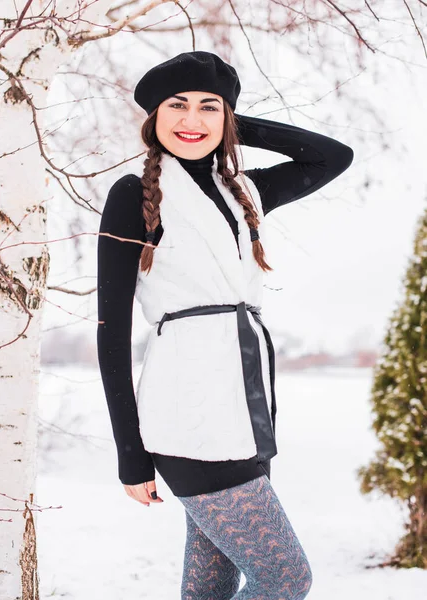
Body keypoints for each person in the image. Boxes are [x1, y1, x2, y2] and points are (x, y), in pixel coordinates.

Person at [97, 51, 354, 599]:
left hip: (245, 414)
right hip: (185, 421)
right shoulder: (132, 197)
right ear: (154, 117)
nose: (192, 120)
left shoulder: (246, 193)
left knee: (213, 583)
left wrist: (232, 125)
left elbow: (333, 157)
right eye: (178, 106)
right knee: (285, 579)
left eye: (208, 107)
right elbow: (110, 332)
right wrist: (129, 455)